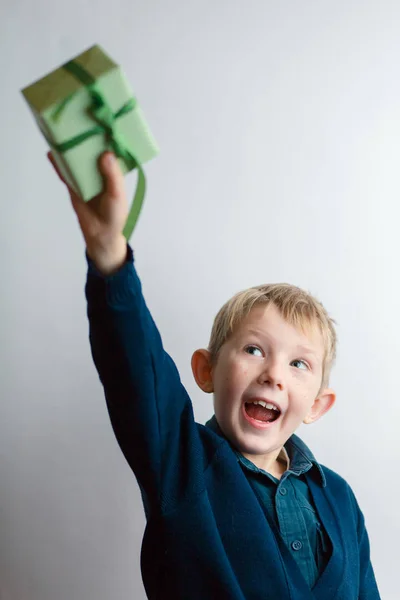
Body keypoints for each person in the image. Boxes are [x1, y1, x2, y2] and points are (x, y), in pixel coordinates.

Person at [48, 150, 381, 599]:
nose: (273, 375)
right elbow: (137, 376)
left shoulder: (340, 499)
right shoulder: (183, 466)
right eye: (254, 349)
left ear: (318, 405)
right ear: (206, 371)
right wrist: (110, 256)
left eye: (298, 363)